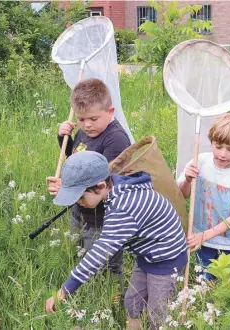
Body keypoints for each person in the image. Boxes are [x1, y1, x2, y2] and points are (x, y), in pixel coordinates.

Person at [45, 151, 188, 330]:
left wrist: (64, 290)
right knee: (132, 303)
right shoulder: (118, 186)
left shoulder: (125, 207)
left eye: (80, 197)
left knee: (158, 313)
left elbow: (100, 252)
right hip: (147, 254)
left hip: (166, 260)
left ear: (100, 186)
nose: (78, 203)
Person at [46, 78, 131, 275]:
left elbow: (103, 184)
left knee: (104, 266)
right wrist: (63, 138)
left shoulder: (115, 139)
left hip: (104, 219)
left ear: (110, 112)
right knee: (80, 254)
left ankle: (112, 296)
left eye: (93, 119)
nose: (87, 125)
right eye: (81, 119)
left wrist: (66, 187)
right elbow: (76, 160)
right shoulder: (86, 133)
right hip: (82, 210)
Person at [177, 113, 230, 279]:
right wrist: (187, 180)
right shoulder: (200, 162)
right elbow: (182, 195)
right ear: (211, 141)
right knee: (206, 283)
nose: (223, 154)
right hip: (202, 241)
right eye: (218, 146)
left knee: (229, 286)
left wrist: (203, 236)